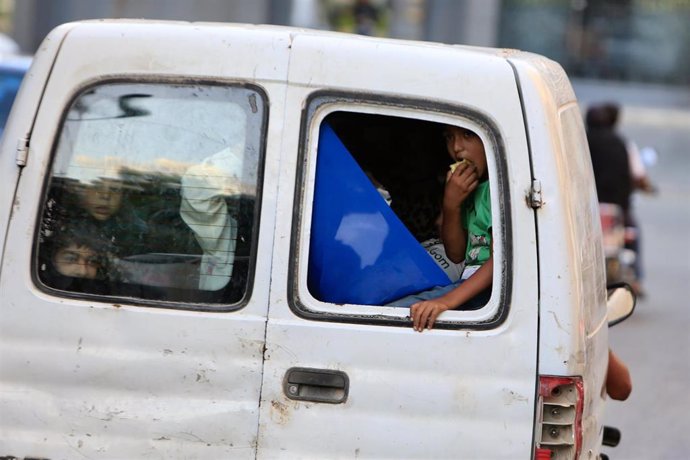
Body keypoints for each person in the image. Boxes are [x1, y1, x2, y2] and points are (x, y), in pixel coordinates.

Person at [388, 125, 493, 331]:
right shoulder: (472, 190)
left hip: (488, 292)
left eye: (468, 134)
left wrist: (446, 302)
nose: (456, 147)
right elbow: (456, 254)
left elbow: (502, 262)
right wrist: (451, 204)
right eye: (449, 137)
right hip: (467, 284)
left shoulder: (497, 189)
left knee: (394, 313)